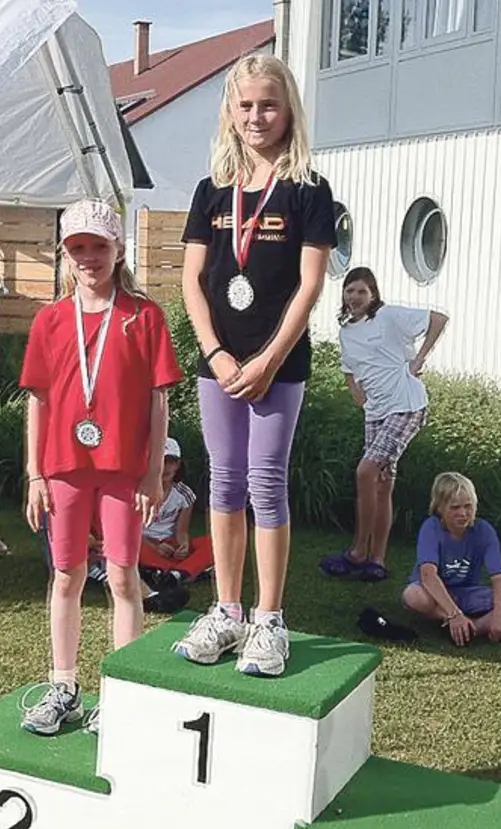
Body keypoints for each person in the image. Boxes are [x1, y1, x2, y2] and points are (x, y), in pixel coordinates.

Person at [171, 53, 335, 678]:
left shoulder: (309, 190)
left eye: (268, 104)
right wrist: (214, 353)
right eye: (245, 106)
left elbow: (310, 285)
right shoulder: (212, 191)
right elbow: (192, 281)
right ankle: (227, 610)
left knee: (266, 484)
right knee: (224, 483)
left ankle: (269, 620)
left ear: (288, 108)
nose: (256, 116)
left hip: (277, 366)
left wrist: (268, 358)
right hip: (219, 363)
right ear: (229, 113)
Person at [20, 199, 181, 735]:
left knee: (121, 575)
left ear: (119, 250)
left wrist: (154, 471)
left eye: (98, 247)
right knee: (65, 575)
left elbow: (160, 403)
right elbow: (38, 399)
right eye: (77, 248)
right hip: (64, 466)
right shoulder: (50, 319)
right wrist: (34, 474)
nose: (88, 258)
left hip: (122, 469)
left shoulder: (144, 316)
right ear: (65, 256)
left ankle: (121, 691)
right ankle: (63, 684)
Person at [321, 266, 447, 583]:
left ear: (373, 294)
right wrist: (355, 392)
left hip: (405, 406)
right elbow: (349, 367)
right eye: (350, 290)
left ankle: (358, 551)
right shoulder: (347, 329)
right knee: (382, 483)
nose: (354, 297)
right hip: (375, 411)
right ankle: (377, 560)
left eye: (362, 291)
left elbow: (438, 319)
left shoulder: (389, 316)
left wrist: (419, 359)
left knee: (366, 471)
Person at [400, 473, 501, 646]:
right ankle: (458, 621)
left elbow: (498, 577)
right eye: (455, 507)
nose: (463, 513)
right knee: (413, 595)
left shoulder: (483, 530)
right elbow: (428, 576)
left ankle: (472, 628)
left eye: (468, 506)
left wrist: (499, 617)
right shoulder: (431, 528)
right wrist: (454, 614)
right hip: (435, 595)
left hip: (468, 593)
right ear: (440, 507)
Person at [137, 437, 215, 584]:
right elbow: (129, 530)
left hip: (169, 543)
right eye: (161, 461)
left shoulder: (185, 495)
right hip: (144, 542)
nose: (165, 467)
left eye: (170, 461)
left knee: (213, 543)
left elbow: (181, 531)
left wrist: (183, 545)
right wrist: (154, 547)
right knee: (131, 546)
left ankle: (175, 574)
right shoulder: (138, 491)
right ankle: (186, 572)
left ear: (178, 464)